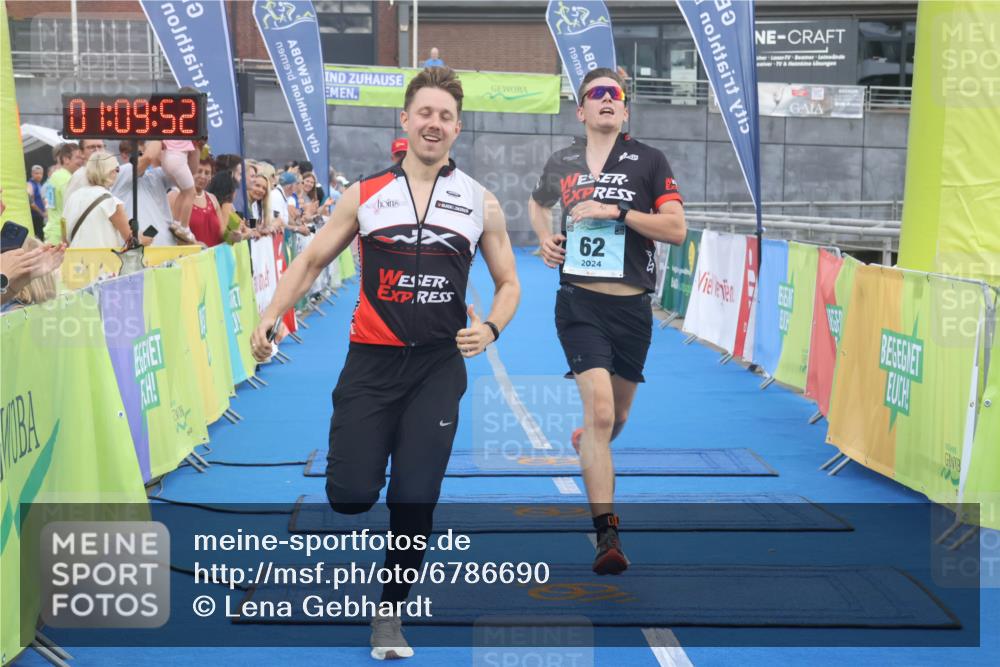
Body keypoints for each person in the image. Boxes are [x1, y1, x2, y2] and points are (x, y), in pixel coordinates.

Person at [250, 66, 519, 660]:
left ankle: (390, 614)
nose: (434, 123)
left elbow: (509, 283)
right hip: (370, 366)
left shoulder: (480, 201)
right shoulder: (366, 193)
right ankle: (362, 471)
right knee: (350, 495)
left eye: (445, 116)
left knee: (415, 497)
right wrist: (271, 315)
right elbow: (310, 261)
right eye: (425, 113)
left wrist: (491, 327)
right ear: (405, 120)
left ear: (457, 127)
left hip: (437, 369)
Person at [528, 67, 686, 575]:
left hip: (633, 308)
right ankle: (607, 535)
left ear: (625, 110)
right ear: (581, 110)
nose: (606, 99)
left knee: (616, 417)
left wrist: (616, 212)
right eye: (596, 94)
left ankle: (592, 442)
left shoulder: (649, 160)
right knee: (599, 413)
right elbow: (537, 203)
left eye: (615, 94)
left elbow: (676, 229)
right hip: (580, 305)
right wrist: (545, 238)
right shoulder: (563, 161)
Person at [63, 150, 143, 248]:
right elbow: (132, 241)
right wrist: (145, 239)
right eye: (117, 169)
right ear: (110, 171)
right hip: (102, 257)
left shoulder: (73, 197)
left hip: (74, 256)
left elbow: (64, 238)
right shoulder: (111, 202)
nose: (117, 173)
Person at [112, 140, 183, 247]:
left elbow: (189, 172)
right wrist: (159, 136)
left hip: (168, 250)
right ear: (124, 155)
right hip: (139, 252)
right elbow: (148, 158)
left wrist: (196, 147)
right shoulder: (119, 174)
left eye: (142, 154)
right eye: (139, 154)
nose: (142, 158)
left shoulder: (156, 174)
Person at [172, 157, 224, 247]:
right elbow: (172, 231)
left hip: (214, 255)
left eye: (207, 173)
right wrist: (194, 244)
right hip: (189, 255)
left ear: (211, 177)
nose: (203, 176)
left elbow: (222, 232)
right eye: (199, 171)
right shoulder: (176, 196)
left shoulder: (212, 199)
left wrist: (235, 235)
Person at [42, 143, 84, 243]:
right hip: (62, 237)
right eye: (78, 157)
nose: (82, 161)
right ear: (66, 159)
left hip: (53, 233)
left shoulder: (55, 176)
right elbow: (73, 209)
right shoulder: (67, 179)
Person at [62, 138, 107, 205]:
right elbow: (69, 206)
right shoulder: (79, 177)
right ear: (81, 153)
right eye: (91, 147)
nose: (97, 150)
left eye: (100, 146)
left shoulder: (111, 173)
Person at [27, 165, 47, 239]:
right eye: (36, 173)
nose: (39, 175)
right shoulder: (30, 184)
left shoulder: (39, 184)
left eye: (40, 173)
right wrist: (42, 213)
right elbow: (31, 202)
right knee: (38, 238)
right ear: (32, 174)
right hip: (35, 217)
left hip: (39, 217)